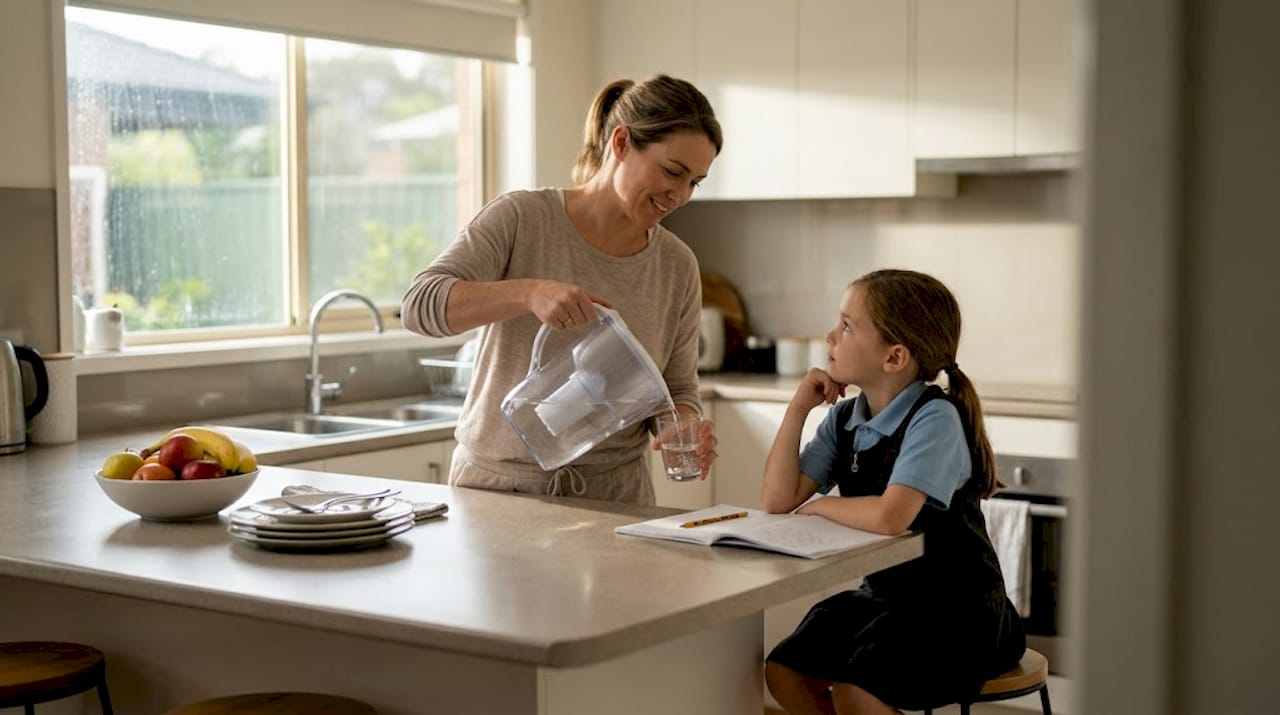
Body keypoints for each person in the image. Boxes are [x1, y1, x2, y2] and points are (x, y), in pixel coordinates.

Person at [401, 75, 722, 504]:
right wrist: (529, 293)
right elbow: (419, 305)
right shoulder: (521, 219)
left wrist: (680, 426)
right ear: (622, 143)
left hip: (615, 497)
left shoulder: (677, 265)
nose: (680, 196)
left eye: (694, 182)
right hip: (497, 492)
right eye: (672, 172)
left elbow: (676, 389)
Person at [761, 269, 1026, 714]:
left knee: (857, 690)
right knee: (783, 671)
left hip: (958, 612)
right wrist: (797, 409)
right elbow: (777, 500)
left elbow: (891, 516)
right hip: (887, 601)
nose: (830, 336)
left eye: (847, 326)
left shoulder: (934, 418)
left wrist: (823, 504)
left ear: (894, 357)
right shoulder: (845, 419)